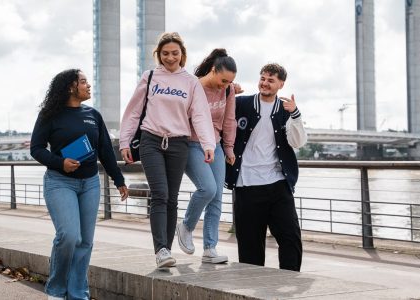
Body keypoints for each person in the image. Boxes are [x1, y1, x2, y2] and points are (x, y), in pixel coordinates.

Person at [30, 69, 129, 300]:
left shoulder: (93, 115)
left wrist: (119, 179)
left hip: (90, 184)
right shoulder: (49, 114)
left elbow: (104, 150)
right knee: (69, 236)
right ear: (70, 87)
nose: (88, 85)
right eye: (83, 81)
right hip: (59, 182)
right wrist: (60, 163)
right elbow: (36, 148)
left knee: (85, 241)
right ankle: (55, 290)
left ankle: (78, 294)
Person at [119, 32, 216, 268]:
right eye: (165, 53)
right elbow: (133, 111)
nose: (170, 58)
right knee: (160, 194)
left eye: (174, 53)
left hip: (179, 143)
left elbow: (201, 115)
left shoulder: (191, 81)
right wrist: (125, 141)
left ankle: (167, 251)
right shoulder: (150, 77)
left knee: (171, 199)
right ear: (158, 55)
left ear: (182, 54)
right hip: (151, 141)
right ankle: (160, 249)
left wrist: (208, 144)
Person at [225, 63, 307, 271]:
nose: (265, 83)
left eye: (271, 80)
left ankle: (288, 281)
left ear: (281, 84)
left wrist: (296, 114)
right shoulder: (241, 103)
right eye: (263, 78)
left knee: (290, 238)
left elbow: (297, 142)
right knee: (250, 246)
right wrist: (227, 92)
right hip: (246, 184)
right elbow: (216, 117)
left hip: (278, 184)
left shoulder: (286, 109)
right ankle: (254, 290)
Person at [176, 49, 237, 263]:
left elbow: (229, 121)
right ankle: (186, 226)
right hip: (192, 144)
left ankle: (210, 249)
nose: (224, 86)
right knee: (207, 189)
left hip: (217, 146)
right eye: (222, 80)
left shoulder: (228, 91)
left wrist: (229, 148)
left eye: (229, 82)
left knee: (217, 197)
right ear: (213, 70)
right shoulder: (193, 86)